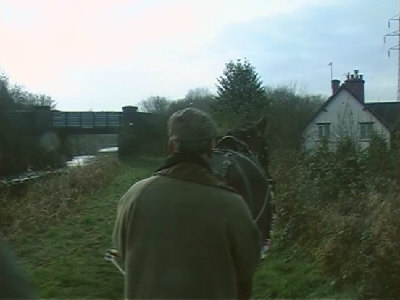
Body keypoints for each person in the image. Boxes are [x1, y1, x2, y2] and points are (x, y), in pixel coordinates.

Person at [113, 108, 261, 299]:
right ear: (212, 146)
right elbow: (248, 266)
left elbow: (123, 252)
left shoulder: (135, 195)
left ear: (172, 146)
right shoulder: (232, 205)